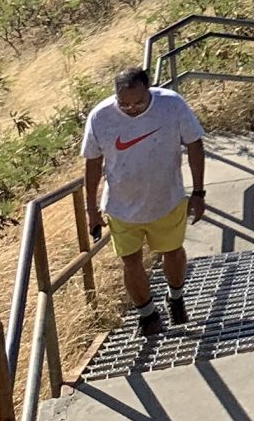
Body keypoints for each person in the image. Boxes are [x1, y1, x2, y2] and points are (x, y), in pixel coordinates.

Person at [81, 67, 207, 338]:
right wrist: (91, 208)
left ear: (149, 91)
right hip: (121, 206)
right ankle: (147, 314)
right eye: (124, 103)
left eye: (138, 102)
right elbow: (92, 163)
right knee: (130, 261)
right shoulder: (100, 117)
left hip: (167, 200)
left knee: (172, 252)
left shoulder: (171, 105)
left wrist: (198, 193)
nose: (131, 108)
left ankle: (175, 296)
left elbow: (195, 144)